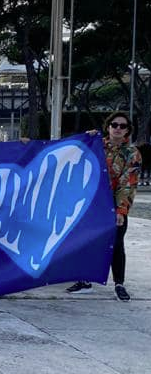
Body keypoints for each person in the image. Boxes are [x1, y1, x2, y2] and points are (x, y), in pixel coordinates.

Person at [67, 112, 142, 301]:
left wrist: (121, 210)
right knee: (85, 242)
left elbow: (128, 183)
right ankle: (85, 280)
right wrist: (86, 137)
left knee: (116, 244)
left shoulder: (132, 153)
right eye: (114, 125)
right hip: (90, 205)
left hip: (113, 206)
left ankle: (119, 284)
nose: (118, 128)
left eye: (122, 126)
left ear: (127, 130)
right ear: (108, 127)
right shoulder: (96, 145)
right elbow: (71, 154)